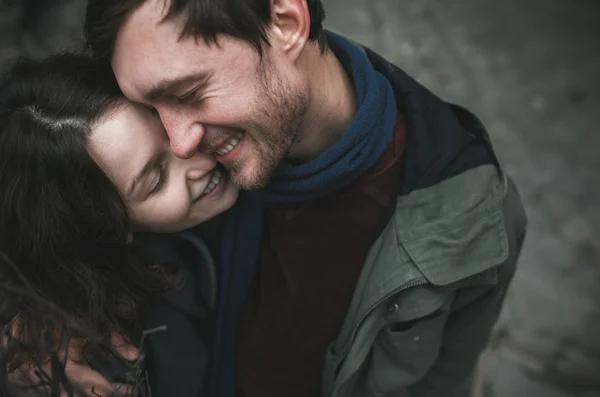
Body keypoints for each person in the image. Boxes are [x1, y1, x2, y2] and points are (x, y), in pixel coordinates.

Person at [82, 1, 529, 396]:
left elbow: (439, 381)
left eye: (189, 94)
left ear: (285, 23)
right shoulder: (188, 166)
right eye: (150, 109)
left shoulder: (475, 218)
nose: (178, 143)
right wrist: (41, 322)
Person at [0, 53, 238, 396]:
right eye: (156, 180)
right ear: (110, 229)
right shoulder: (108, 351)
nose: (194, 154)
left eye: (167, 120)